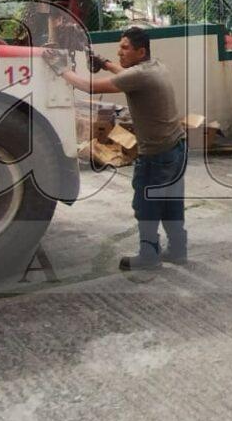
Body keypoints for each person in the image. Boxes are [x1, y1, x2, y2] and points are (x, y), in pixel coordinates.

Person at [53, 27, 188, 270]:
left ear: (141, 51)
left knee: (145, 207)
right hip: (176, 148)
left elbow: (89, 86)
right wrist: (105, 63)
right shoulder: (155, 67)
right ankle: (178, 251)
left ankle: (148, 256)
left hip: (156, 155)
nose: (119, 51)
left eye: (125, 47)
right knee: (171, 203)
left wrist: (61, 70)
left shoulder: (138, 76)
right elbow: (126, 74)